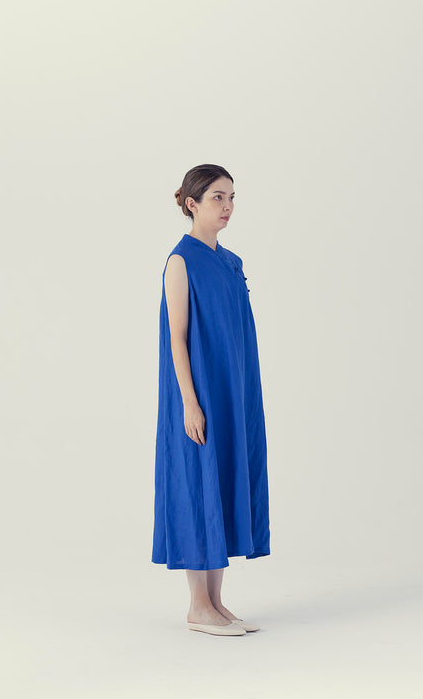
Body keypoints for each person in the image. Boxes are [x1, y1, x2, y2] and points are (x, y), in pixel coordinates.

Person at [152, 164, 270, 636]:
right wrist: (189, 401)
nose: (228, 207)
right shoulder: (180, 261)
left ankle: (216, 602)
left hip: (232, 390)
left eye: (232, 197)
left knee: (222, 481)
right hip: (198, 391)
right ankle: (197, 606)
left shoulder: (231, 261)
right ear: (191, 203)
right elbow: (177, 338)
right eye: (218, 197)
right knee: (198, 483)